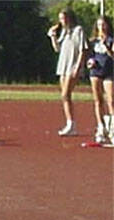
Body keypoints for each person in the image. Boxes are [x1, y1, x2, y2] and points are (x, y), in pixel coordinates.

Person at [47, 8, 88, 136]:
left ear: (70, 18)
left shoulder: (78, 30)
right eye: (60, 19)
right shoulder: (64, 32)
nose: (62, 21)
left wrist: (78, 66)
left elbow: (83, 49)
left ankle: (71, 124)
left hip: (72, 65)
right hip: (63, 65)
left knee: (66, 94)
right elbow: (57, 49)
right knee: (64, 96)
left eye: (64, 18)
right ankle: (70, 123)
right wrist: (53, 37)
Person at [87, 15, 114, 144]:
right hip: (96, 71)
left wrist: (107, 47)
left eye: (103, 24)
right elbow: (89, 56)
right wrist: (90, 62)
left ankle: (112, 130)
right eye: (99, 25)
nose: (101, 27)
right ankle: (101, 127)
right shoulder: (93, 41)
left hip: (109, 71)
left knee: (111, 101)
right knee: (98, 101)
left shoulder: (111, 40)